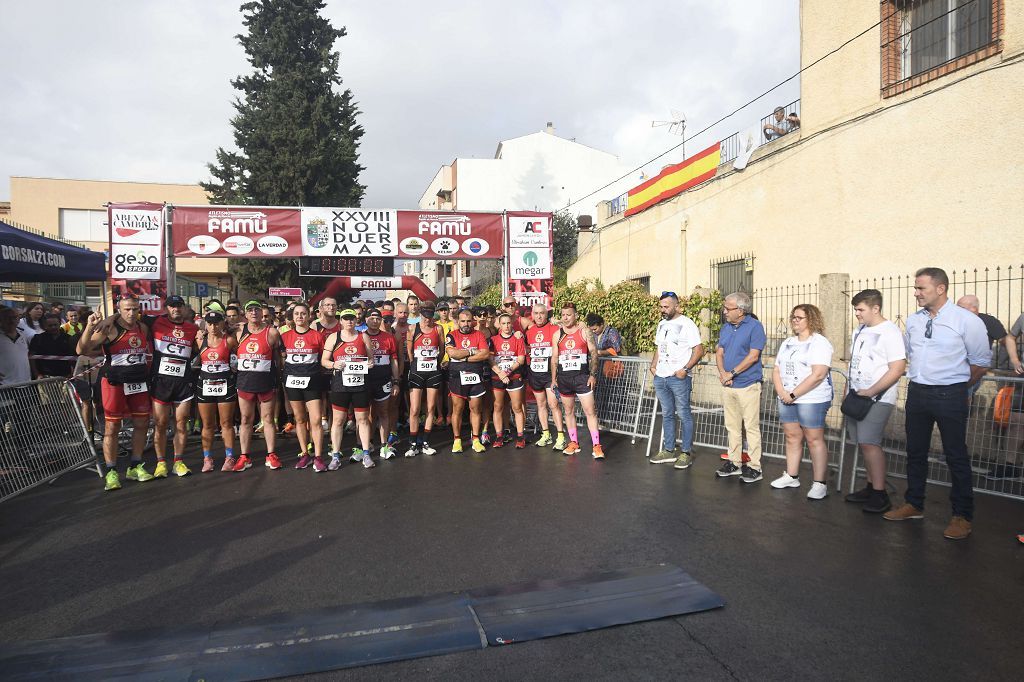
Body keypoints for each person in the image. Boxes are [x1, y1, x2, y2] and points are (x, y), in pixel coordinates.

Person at [884, 267, 990, 540]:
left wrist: (957, 386)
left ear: (940, 289)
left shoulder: (966, 320)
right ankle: (914, 504)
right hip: (918, 393)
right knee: (915, 452)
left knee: (956, 456)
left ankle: (962, 515)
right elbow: (911, 354)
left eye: (921, 288)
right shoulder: (915, 320)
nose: (916, 293)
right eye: (916, 288)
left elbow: (980, 363)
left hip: (950, 395)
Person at [77, 297, 153, 491]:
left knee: (142, 423)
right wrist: (88, 327)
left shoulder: (142, 328)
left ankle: (135, 466)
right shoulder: (109, 328)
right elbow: (82, 349)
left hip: (137, 381)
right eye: (127, 309)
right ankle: (111, 471)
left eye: (135, 309)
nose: (131, 313)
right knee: (112, 426)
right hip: (114, 382)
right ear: (120, 309)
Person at [842, 289, 907, 513]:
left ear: (875, 308)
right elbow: (854, 363)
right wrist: (848, 390)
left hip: (878, 397)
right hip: (857, 394)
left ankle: (880, 494)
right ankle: (871, 487)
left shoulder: (890, 332)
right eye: (856, 309)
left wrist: (872, 391)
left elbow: (897, 368)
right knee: (862, 442)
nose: (857, 313)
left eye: (861, 309)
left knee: (870, 442)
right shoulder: (859, 331)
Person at [768, 304, 835, 499]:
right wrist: (782, 392)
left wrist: (794, 394)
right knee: (792, 436)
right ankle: (791, 475)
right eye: (793, 317)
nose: (795, 321)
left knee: (814, 439)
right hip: (787, 397)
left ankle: (819, 483)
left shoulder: (820, 343)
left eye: (799, 318)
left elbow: (818, 374)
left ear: (811, 319)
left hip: (811, 399)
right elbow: (777, 369)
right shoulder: (788, 342)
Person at [145, 295, 200, 478]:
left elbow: (198, 349)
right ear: (166, 308)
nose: (176, 309)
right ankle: (161, 462)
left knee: (181, 423)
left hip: (182, 381)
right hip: (161, 381)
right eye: (172, 306)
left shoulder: (193, 329)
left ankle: (178, 461)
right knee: (160, 424)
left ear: (184, 308)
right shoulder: (155, 323)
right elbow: (129, 317)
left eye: (179, 306)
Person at [715, 292, 767, 483]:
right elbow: (719, 352)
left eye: (728, 308)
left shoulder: (755, 327)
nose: (724, 311)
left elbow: (753, 356)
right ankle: (734, 462)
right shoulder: (726, 328)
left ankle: (755, 467)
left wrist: (732, 373)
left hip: (748, 385)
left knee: (751, 427)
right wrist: (723, 374)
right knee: (732, 427)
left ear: (741, 310)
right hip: (728, 385)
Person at [649, 292, 704, 468]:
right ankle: (669, 450)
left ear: (676, 306)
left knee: (684, 414)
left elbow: (699, 350)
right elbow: (660, 347)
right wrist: (653, 365)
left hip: (678, 378)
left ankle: (686, 452)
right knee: (666, 414)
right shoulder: (661, 324)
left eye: (666, 306)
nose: (663, 310)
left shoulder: (687, 324)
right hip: (661, 377)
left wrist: (685, 369)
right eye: (661, 306)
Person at [322, 308, 376, 469]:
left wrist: (370, 364)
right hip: (340, 383)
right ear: (341, 320)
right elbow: (324, 360)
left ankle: (366, 453)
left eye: (351, 318)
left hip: (360, 383)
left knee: (363, 420)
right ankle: (336, 456)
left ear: (356, 320)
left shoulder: (363, 336)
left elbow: (371, 359)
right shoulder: (334, 337)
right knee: (338, 420)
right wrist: (333, 364)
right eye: (346, 318)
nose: (349, 321)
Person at [233, 300, 283, 472]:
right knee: (246, 419)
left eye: (256, 309)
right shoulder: (239, 331)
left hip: (266, 383)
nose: (253, 312)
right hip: (245, 382)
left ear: (262, 313)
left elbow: (278, 358)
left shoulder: (272, 332)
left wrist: (277, 379)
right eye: (250, 309)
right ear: (245, 314)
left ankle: (271, 454)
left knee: (268, 419)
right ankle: (244, 456)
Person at [550, 303, 604, 458]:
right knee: (568, 412)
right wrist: (554, 379)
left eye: (569, 314)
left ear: (576, 315)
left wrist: (593, 374)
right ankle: (573, 442)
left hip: (582, 378)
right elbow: (554, 358)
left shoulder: (584, 331)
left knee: (590, 411)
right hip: (564, 379)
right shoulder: (557, 334)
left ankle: (596, 446)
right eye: (563, 315)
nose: (565, 318)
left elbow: (594, 353)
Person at [281, 302, 327, 471]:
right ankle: (304, 453)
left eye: (303, 314)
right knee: (300, 419)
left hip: (312, 381)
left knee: (315, 420)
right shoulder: (285, 336)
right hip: (292, 380)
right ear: (292, 317)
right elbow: (281, 358)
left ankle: (319, 456)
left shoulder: (317, 336)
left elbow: (323, 358)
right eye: (297, 314)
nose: (300, 317)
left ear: (309, 316)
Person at [195, 310, 239, 472]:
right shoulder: (200, 340)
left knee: (226, 423)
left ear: (222, 323)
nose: (213, 327)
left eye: (216, 323)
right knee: (207, 424)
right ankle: (207, 458)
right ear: (206, 324)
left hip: (225, 383)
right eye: (210, 323)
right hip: (205, 384)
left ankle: (229, 457)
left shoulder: (229, 341)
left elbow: (239, 359)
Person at [446, 308, 491, 453]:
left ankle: (476, 439)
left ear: (473, 321)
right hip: (457, 377)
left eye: (468, 321)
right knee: (457, 409)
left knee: (476, 409)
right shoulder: (451, 335)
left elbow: (484, 354)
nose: (466, 324)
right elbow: (452, 352)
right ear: (458, 321)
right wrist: (471, 352)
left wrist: (462, 357)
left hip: (475, 376)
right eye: (463, 321)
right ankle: (457, 440)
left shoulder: (479, 334)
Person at [525, 303, 567, 449]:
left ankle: (561, 436)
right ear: (532, 314)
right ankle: (546, 434)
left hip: (550, 374)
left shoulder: (555, 329)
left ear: (546, 314)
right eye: (536, 313)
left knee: (553, 404)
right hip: (535, 374)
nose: (539, 316)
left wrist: (561, 321)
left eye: (542, 313)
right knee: (540, 405)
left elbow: (574, 327)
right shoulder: (529, 332)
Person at [406, 300, 443, 456]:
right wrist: (416, 365)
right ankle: (413, 443)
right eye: (425, 315)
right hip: (417, 371)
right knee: (414, 409)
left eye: (430, 315)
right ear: (420, 313)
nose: (428, 319)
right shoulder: (412, 328)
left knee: (430, 408)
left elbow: (441, 351)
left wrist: (435, 363)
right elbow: (409, 353)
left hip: (433, 371)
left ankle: (426, 442)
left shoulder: (438, 328)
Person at [365, 308, 401, 459]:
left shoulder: (388, 337)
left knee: (383, 412)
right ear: (366, 319)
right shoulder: (359, 337)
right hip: (364, 381)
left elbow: (394, 361)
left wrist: (396, 381)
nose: (375, 321)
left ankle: (384, 445)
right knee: (366, 415)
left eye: (378, 319)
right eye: (372, 318)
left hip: (383, 380)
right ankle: (367, 444)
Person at [955, 295, 1023, 375]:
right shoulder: (953, 320)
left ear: (974, 308)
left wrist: (1003, 363)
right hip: (955, 363)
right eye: (956, 307)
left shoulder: (989, 321)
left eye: (961, 308)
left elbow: (1005, 341)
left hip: (977, 366)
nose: (957, 310)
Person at [490, 313, 528, 448]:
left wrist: (506, 372)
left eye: (508, 323)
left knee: (517, 407)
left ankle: (520, 436)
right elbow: (490, 359)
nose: (506, 326)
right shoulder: (493, 339)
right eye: (503, 323)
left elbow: (521, 360)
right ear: (499, 325)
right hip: (497, 377)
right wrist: (500, 373)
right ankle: (499, 436)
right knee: (498, 407)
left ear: (512, 324)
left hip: (514, 376)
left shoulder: (518, 338)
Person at [29, 314, 76, 379]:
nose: (53, 327)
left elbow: (73, 358)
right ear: (45, 326)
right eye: (50, 325)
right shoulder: (38, 338)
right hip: (45, 377)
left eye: (55, 325)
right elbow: (31, 357)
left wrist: (73, 372)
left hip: (65, 376)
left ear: (60, 324)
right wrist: (36, 374)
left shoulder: (68, 338)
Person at [0, 305, 31, 387]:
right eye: (8, 318)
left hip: (26, 383)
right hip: (5, 385)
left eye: (15, 317)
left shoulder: (23, 335)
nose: (12, 321)